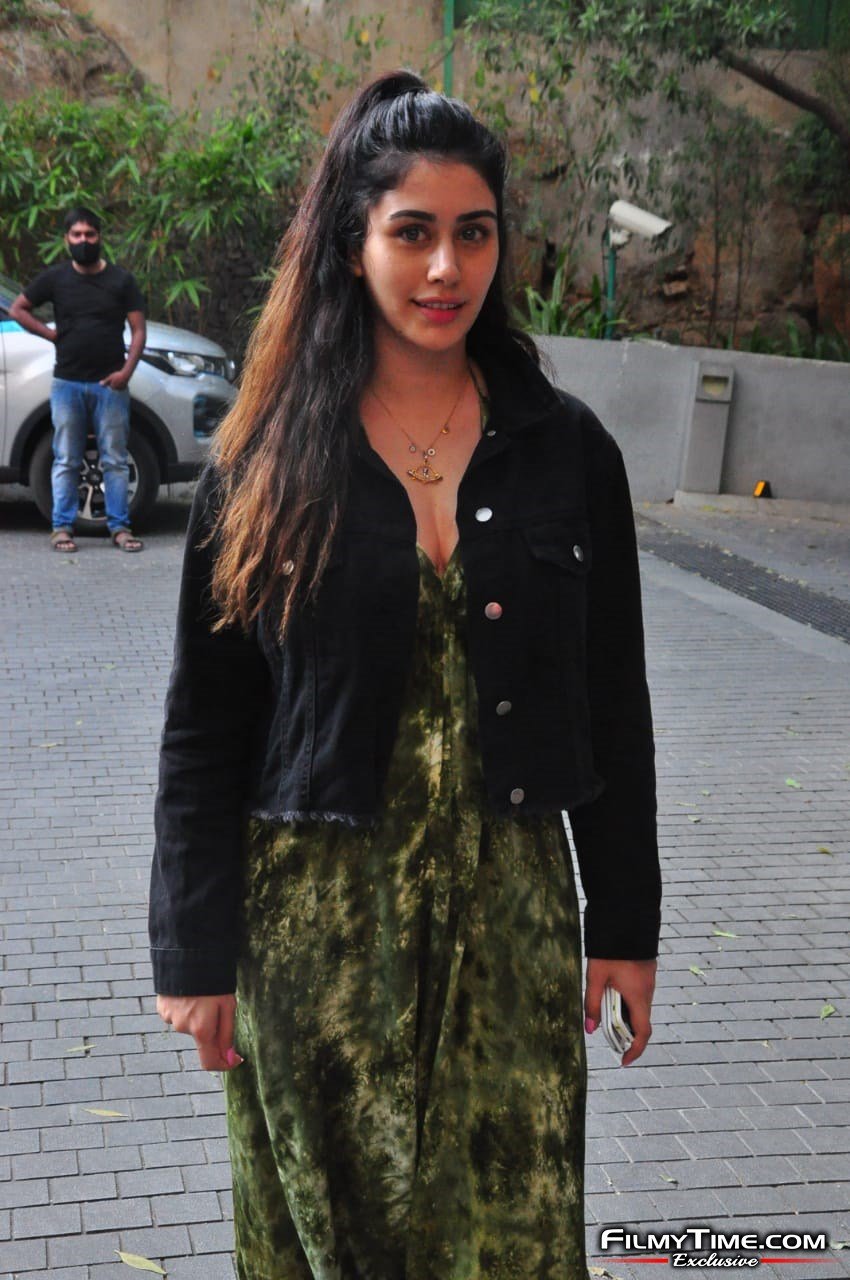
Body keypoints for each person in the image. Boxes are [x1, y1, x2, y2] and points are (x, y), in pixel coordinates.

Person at [150, 70, 661, 1280]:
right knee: (337, 1243)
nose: (446, 268)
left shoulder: (566, 450)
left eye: (473, 234)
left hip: (512, 922)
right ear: (353, 242)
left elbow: (613, 702)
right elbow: (206, 722)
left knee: (512, 1234)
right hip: (315, 931)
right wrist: (193, 951)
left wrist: (624, 923)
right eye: (413, 232)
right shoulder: (266, 461)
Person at [10, 207, 146, 552]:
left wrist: (126, 373)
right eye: (77, 235)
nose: (83, 241)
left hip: (110, 386)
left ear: (100, 237)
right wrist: (50, 335)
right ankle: (62, 528)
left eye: (89, 234)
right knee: (66, 459)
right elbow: (18, 309)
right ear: (66, 239)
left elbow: (138, 330)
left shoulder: (121, 280)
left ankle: (120, 528)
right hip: (67, 384)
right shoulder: (55, 279)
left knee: (115, 459)